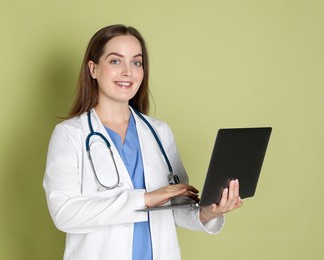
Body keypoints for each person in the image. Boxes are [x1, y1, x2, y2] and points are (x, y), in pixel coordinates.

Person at [43, 24, 243, 260]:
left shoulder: (159, 132)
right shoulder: (70, 134)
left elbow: (176, 209)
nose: (128, 72)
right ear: (93, 68)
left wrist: (210, 212)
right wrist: (146, 199)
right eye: (116, 61)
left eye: (136, 62)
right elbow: (65, 214)